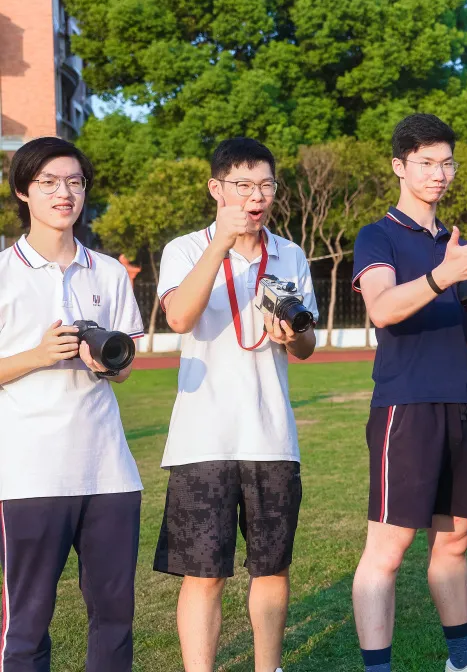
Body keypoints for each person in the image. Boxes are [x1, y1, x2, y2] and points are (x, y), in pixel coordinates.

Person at [350, 114, 467, 672]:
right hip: (406, 407)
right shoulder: (378, 235)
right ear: (399, 166)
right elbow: (382, 308)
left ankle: (462, 661)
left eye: (446, 163)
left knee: (454, 542)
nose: (438, 173)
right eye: (425, 162)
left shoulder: (457, 243)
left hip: (462, 402)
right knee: (388, 551)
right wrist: (445, 274)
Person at [153, 137, 318, 672]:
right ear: (216, 188)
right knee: (204, 575)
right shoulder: (184, 249)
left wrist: (291, 334)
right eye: (243, 186)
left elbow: (307, 346)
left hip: (271, 435)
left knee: (272, 568)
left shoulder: (290, 254)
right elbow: (179, 317)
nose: (256, 197)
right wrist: (220, 244)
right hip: (203, 437)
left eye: (266, 185)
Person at [0, 137, 145, 672]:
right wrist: (38, 355)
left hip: (109, 472)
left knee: (115, 619)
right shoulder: (3, 272)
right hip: (29, 476)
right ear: (23, 191)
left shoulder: (107, 271)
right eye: (49, 182)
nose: (65, 193)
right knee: (28, 623)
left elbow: (124, 367)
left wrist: (104, 363)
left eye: (75, 182)